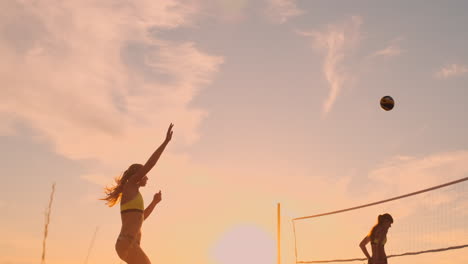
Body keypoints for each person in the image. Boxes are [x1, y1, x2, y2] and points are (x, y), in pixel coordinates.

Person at [101, 123, 174, 264]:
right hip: (126, 243)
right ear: (137, 175)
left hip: (130, 245)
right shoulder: (130, 186)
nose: (147, 177)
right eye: (144, 174)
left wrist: (154, 203)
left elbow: (141, 218)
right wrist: (165, 143)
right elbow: (150, 164)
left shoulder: (135, 195)